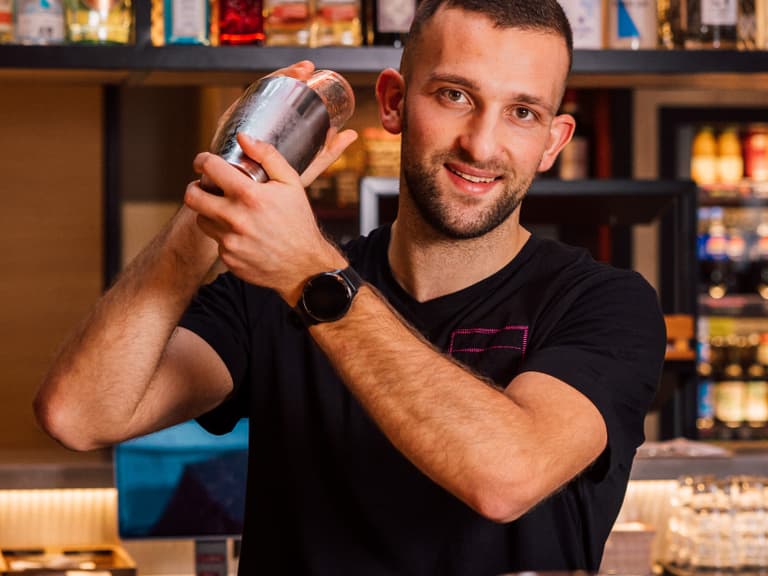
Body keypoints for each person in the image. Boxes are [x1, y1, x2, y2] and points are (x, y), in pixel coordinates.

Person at [35, 0, 666, 573]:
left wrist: (313, 275)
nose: (481, 143)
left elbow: (505, 476)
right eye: (453, 95)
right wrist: (226, 185)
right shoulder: (269, 289)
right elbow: (79, 414)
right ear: (393, 102)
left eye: (522, 112)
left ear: (553, 141)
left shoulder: (605, 304)